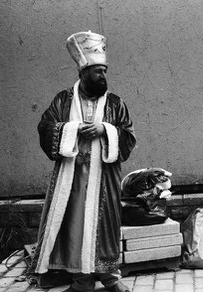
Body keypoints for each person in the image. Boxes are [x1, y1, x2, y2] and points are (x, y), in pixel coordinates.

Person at [32, 31, 136, 292]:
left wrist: (105, 130)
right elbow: (46, 127)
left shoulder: (115, 103)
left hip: (104, 178)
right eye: (98, 71)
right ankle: (81, 281)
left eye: (104, 71)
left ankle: (111, 278)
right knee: (74, 226)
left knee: (106, 225)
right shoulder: (63, 100)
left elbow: (128, 135)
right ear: (83, 72)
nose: (103, 76)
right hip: (73, 177)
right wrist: (73, 129)